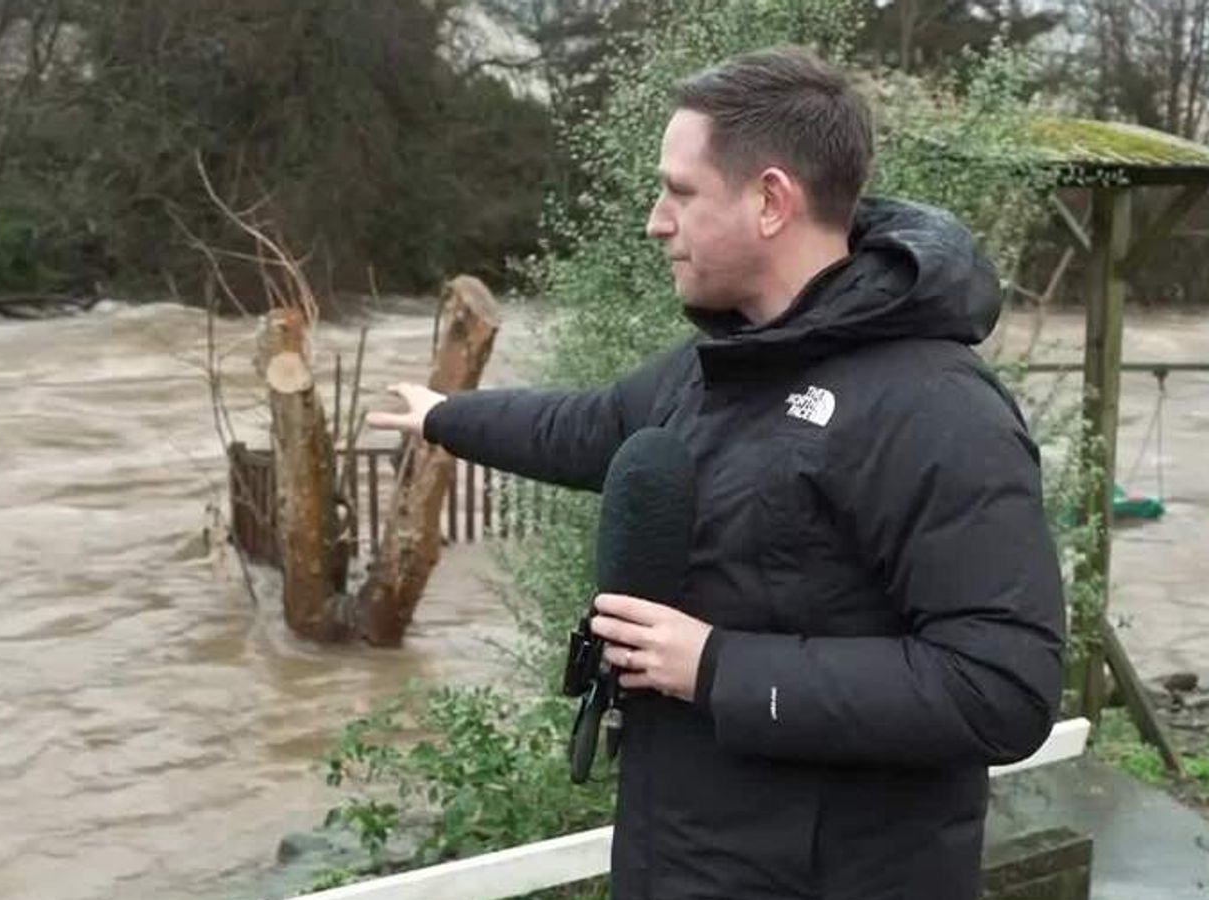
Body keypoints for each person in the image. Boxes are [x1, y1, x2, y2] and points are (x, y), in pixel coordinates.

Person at [365, 46, 1066, 900]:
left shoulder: (938, 410)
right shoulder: (718, 366)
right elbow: (591, 429)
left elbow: (1000, 689)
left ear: (770, 200)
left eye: (681, 192)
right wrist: (443, 416)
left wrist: (718, 666)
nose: (657, 220)